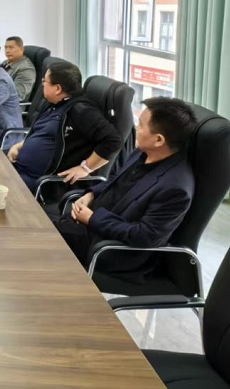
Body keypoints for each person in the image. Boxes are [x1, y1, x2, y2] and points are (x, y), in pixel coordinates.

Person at [57, 97, 196, 283]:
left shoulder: (176, 187)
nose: (136, 128)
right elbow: (115, 180)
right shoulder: (143, 153)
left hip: (109, 249)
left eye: (141, 125)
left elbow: (144, 236)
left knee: (36, 238)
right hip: (88, 227)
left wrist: (92, 218)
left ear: (158, 140)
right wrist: (91, 194)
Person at [8, 62, 121, 192]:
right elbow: (42, 133)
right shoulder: (52, 103)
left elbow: (113, 140)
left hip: (41, 182)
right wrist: (20, 146)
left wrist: (85, 168)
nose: (42, 84)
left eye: (45, 81)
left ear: (57, 88)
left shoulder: (81, 111)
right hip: (19, 168)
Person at [1, 36, 36, 101]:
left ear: (21, 49)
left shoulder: (26, 69)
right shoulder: (5, 63)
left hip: (10, 105)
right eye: (6, 48)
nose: (7, 51)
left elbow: (17, 95)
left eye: (11, 47)